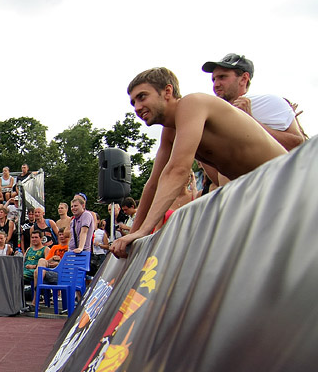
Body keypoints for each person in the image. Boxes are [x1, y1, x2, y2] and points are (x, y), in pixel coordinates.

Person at [112, 67, 287, 258]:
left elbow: (177, 170)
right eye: (133, 102)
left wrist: (144, 230)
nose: (137, 107)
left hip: (288, 182)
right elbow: (153, 184)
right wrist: (133, 236)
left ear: (168, 92)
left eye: (142, 97)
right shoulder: (170, 132)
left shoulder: (192, 104)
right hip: (263, 195)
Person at [202, 53, 305, 151]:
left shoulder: (270, 102)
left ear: (243, 78)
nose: (216, 84)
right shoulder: (212, 116)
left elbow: (298, 144)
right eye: (213, 79)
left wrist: (249, 121)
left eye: (222, 77)